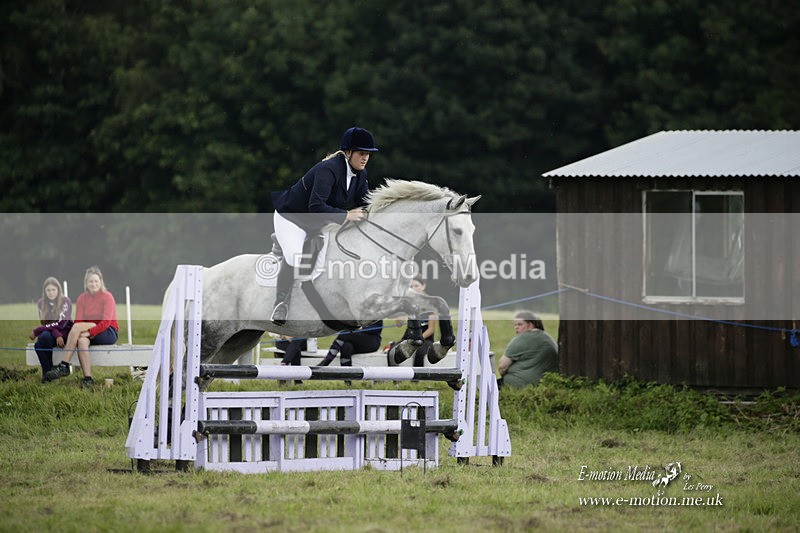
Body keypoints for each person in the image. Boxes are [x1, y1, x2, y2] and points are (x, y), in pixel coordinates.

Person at [270, 127, 378, 325]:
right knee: (295, 257)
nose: (365, 158)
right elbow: (316, 206)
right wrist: (346, 215)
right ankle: (280, 304)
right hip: (292, 218)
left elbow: (364, 203)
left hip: (318, 223)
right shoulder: (328, 169)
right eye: (361, 153)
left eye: (368, 154)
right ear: (347, 152)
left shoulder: (361, 174)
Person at [44, 266, 119, 388]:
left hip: (108, 331)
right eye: (90, 281)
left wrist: (89, 332)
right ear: (86, 283)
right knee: (81, 341)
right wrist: (84, 334)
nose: (93, 284)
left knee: (79, 329)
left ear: (101, 282)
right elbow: (78, 321)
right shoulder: (82, 299)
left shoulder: (107, 296)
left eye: (96, 281)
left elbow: (105, 322)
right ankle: (88, 379)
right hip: (87, 331)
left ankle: (64, 365)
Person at [497, 311, 558, 389]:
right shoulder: (547, 338)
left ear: (530, 325)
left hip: (517, 384)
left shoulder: (522, 338)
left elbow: (502, 366)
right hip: (544, 384)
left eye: (520, 324)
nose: (516, 327)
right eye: (515, 325)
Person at [29, 277, 73, 382]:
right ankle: (48, 373)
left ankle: (47, 374)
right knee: (42, 339)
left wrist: (37, 330)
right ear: (44, 291)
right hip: (53, 332)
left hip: (66, 332)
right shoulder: (41, 303)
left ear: (58, 290)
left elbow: (61, 324)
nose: (51, 293)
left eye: (53, 290)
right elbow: (45, 323)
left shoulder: (66, 301)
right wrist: (56, 334)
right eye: (48, 290)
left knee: (40, 340)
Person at [399, 276, 438, 366]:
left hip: (425, 338)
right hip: (409, 336)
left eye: (416, 286)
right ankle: (394, 377)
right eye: (411, 287)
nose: (413, 289)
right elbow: (399, 324)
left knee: (419, 353)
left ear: (423, 286)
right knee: (393, 351)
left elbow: (431, 329)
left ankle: (416, 378)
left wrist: (417, 339)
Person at [317, 321, 383, 368]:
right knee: (346, 347)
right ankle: (348, 381)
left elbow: (375, 330)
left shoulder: (376, 312)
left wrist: (359, 328)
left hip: (372, 342)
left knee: (346, 334)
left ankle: (327, 360)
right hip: (357, 342)